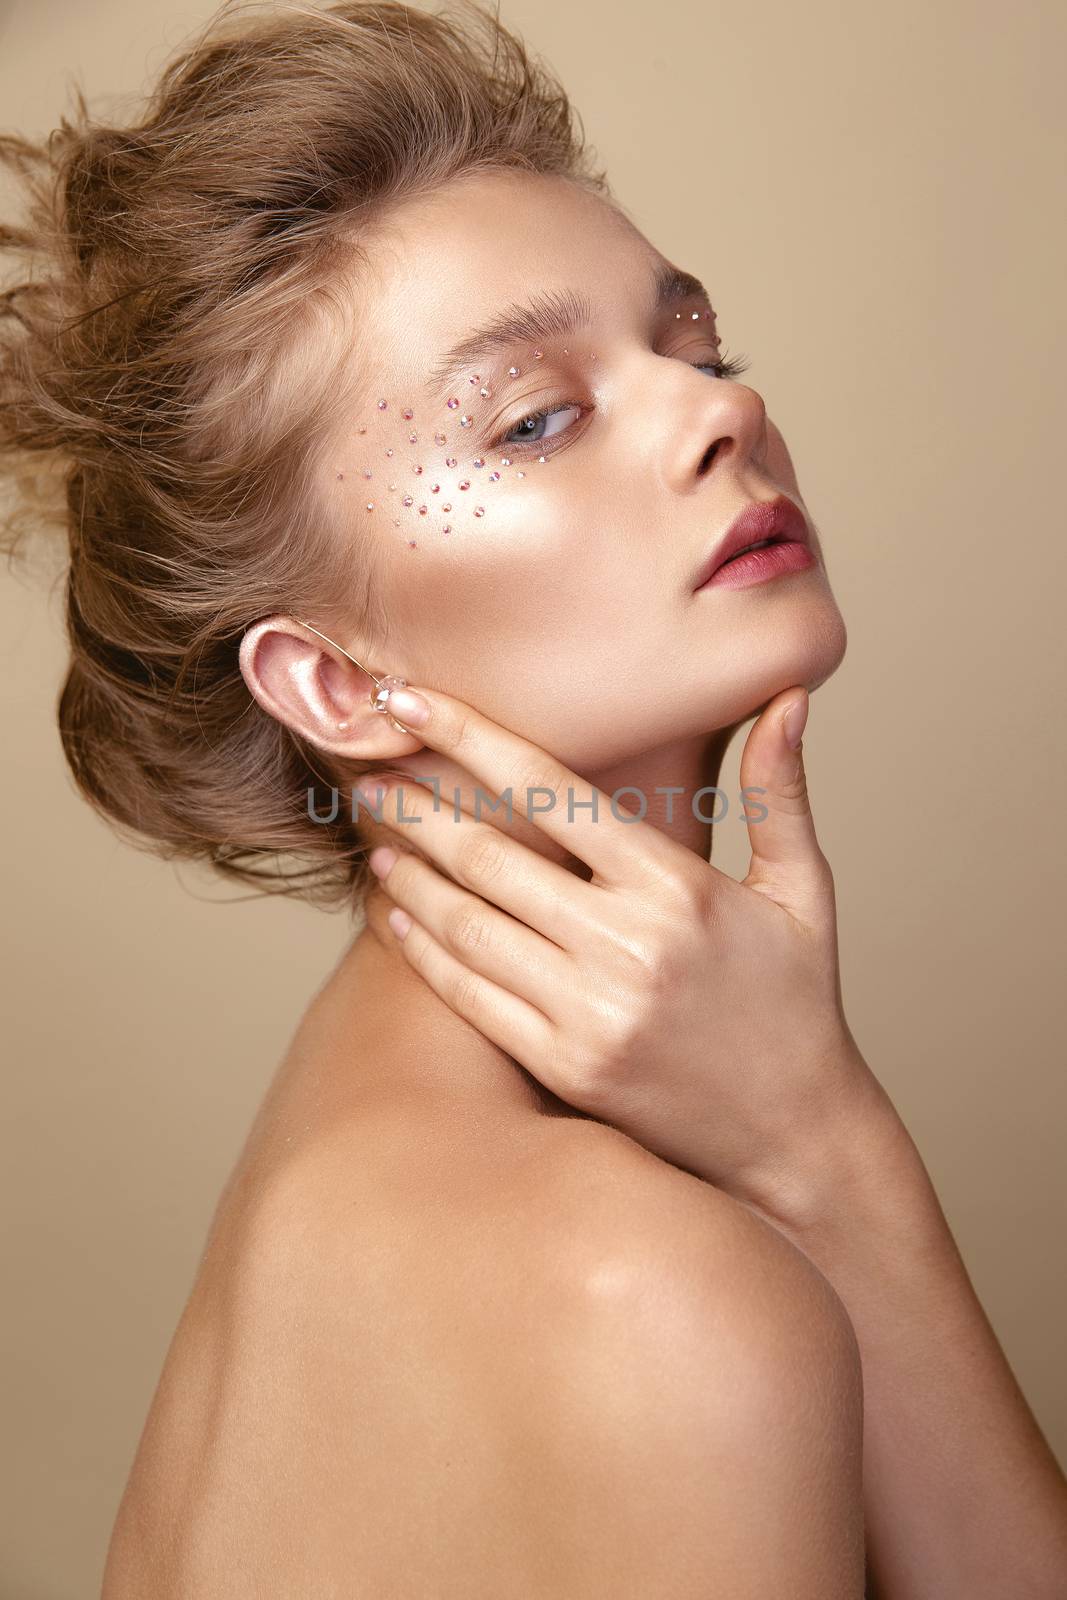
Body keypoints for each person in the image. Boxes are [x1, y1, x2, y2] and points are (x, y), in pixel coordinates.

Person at [2, 1, 1064, 1594]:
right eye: (537, 418)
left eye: (698, 348)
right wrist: (823, 1148)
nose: (723, 414)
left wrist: (807, 1133)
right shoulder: (632, 1288)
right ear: (332, 685)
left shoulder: (361, 1148)